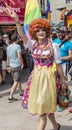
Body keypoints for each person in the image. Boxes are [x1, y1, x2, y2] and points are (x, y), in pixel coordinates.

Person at [5, 6, 67, 130]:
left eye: (43, 29)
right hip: (36, 79)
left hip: (49, 79)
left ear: (47, 31)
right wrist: (17, 20)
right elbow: (22, 34)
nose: (40, 32)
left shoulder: (54, 46)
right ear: (34, 32)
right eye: (38, 30)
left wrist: (63, 80)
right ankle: (56, 126)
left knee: (45, 111)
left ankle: (55, 126)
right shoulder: (32, 44)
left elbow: (59, 65)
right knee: (44, 111)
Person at [7, 33, 24, 101]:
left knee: (17, 79)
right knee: (16, 81)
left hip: (11, 65)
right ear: (17, 39)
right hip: (17, 65)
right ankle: (10, 96)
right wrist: (22, 63)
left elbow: (8, 57)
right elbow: (19, 56)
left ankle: (21, 91)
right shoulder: (17, 46)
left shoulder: (8, 47)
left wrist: (8, 65)